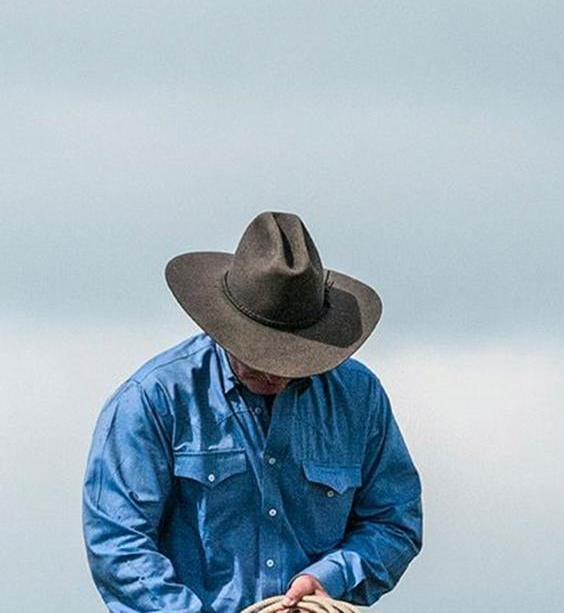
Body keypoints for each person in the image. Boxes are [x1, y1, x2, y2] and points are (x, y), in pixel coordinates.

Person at [82, 211, 423, 612]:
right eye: (259, 352)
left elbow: (395, 522)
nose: (274, 373)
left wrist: (331, 576)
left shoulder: (359, 398)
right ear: (224, 326)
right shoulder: (153, 399)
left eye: (290, 360)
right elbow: (118, 545)